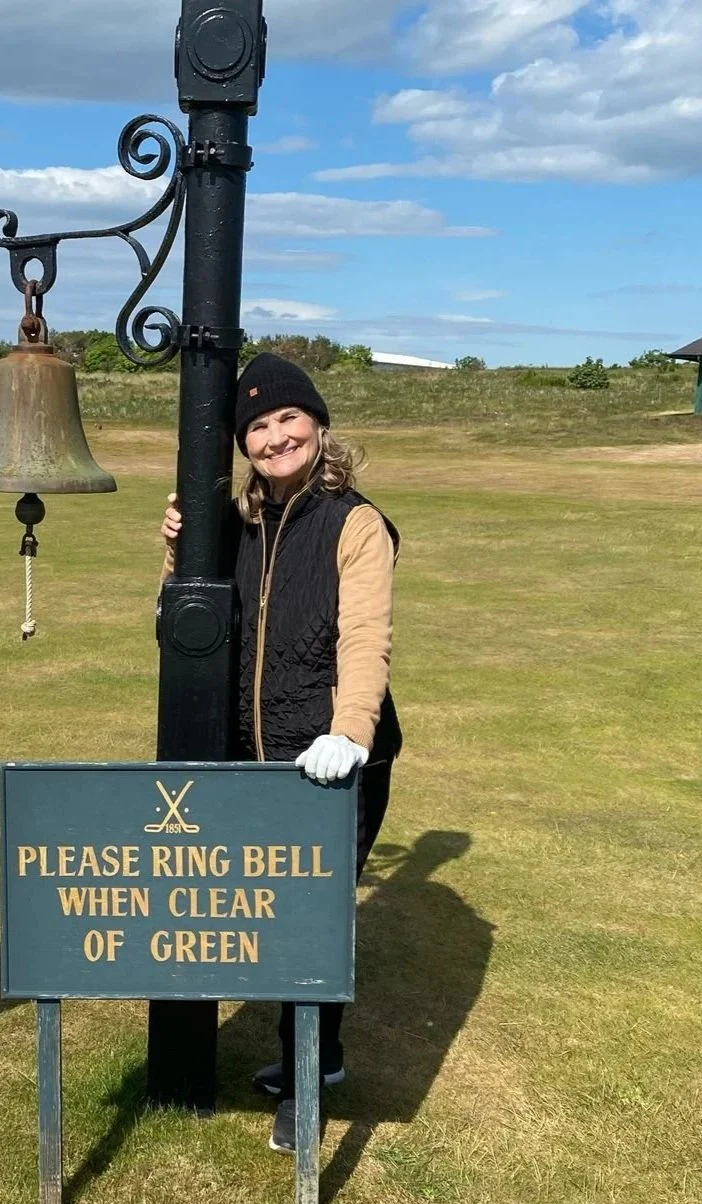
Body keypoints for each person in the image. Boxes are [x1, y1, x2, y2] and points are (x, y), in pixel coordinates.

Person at [159, 352, 402, 1154]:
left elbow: (366, 637)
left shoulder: (355, 523)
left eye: (287, 419)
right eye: (256, 427)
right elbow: (182, 632)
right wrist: (179, 554)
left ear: (318, 425)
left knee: (311, 921)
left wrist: (352, 733)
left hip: (330, 756)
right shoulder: (234, 525)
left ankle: (306, 1079)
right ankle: (318, 1054)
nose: (274, 437)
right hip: (249, 755)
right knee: (259, 913)